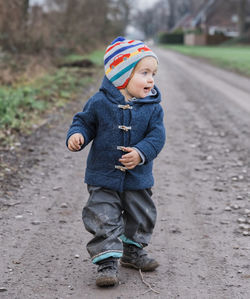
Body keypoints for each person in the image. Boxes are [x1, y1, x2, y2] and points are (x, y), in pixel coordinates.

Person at [66, 36, 166, 287]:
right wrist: (77, 135)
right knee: (102, 215)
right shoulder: (100, 102)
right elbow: (84, 122)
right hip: (102, 175)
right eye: (144, 72)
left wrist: (141, 152)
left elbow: (157, 135)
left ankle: (133, 251)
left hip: (138, 177)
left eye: (153, 73)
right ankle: (107, 261)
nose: (151, 79)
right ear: (121, 76)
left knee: (141, 215)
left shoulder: (153, 107)